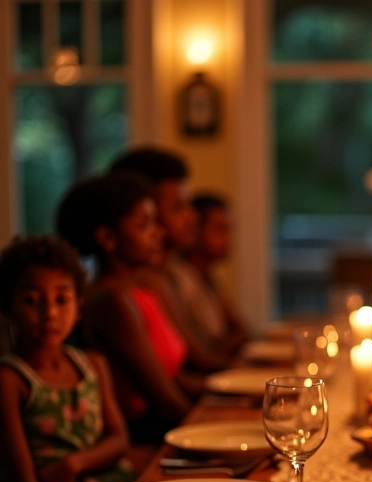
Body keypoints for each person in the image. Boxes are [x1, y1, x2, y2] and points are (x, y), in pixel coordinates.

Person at [0, 235, 136, 482]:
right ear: (7, 306)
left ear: (79, 306)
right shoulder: (10, 380)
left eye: (62, 299)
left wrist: (73, 463)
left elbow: (119, 439)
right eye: (32, 300)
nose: (50, 313)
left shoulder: (92, 364)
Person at [56, 170, 196, 443]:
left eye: (156, 222)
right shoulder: (112, 302)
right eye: (144, 225)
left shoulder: (138, 291)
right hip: (144, 438)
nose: (159, 233)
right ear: (107, 238)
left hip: (163, 427)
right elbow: (165, 403)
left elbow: (174, 379)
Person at [110, 146, 232, 371]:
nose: (193, 216)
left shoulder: (170, 274)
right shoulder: (138, 286)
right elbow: (197, 360)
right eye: (178, 208)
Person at [178, 192, 249, 357]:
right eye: (220, 229)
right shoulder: (181, 279)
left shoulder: (207, 276)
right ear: (195, 230)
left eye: (230, 230)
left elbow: (242, 329)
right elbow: (201, 352)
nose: (228, 239)